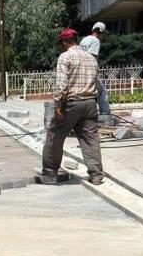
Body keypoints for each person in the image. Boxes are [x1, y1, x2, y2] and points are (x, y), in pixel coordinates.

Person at [42, 28, 104, 185]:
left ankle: (50, 171)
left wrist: (57, 103)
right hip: (90, 102)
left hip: (72, 103)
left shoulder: (65, 56)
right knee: (90, 139)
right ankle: (96, 174)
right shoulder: (91, 58)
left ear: (64, 43)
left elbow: (61, 83)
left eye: (60, 44)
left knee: (55, 135)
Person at [79, 22, 110, 115]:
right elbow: (92, 57)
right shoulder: (95, 41)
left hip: (80, 70)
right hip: (88, 71)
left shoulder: (84, 40)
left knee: (86, 93)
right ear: (100, 31)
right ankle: (105, 114)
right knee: (101, 91)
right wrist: (94, 72)